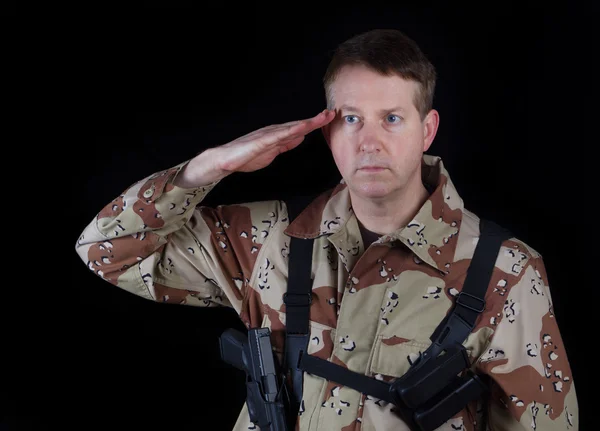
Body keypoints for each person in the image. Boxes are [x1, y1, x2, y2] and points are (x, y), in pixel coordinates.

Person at [75, 28, 578, 430]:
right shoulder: (270, 237)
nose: (370, 142)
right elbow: (104, 249)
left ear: (428, 129)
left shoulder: (505, 271)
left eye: (393, 118)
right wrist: (210, 167)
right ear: (327, 130)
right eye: (352, 118)